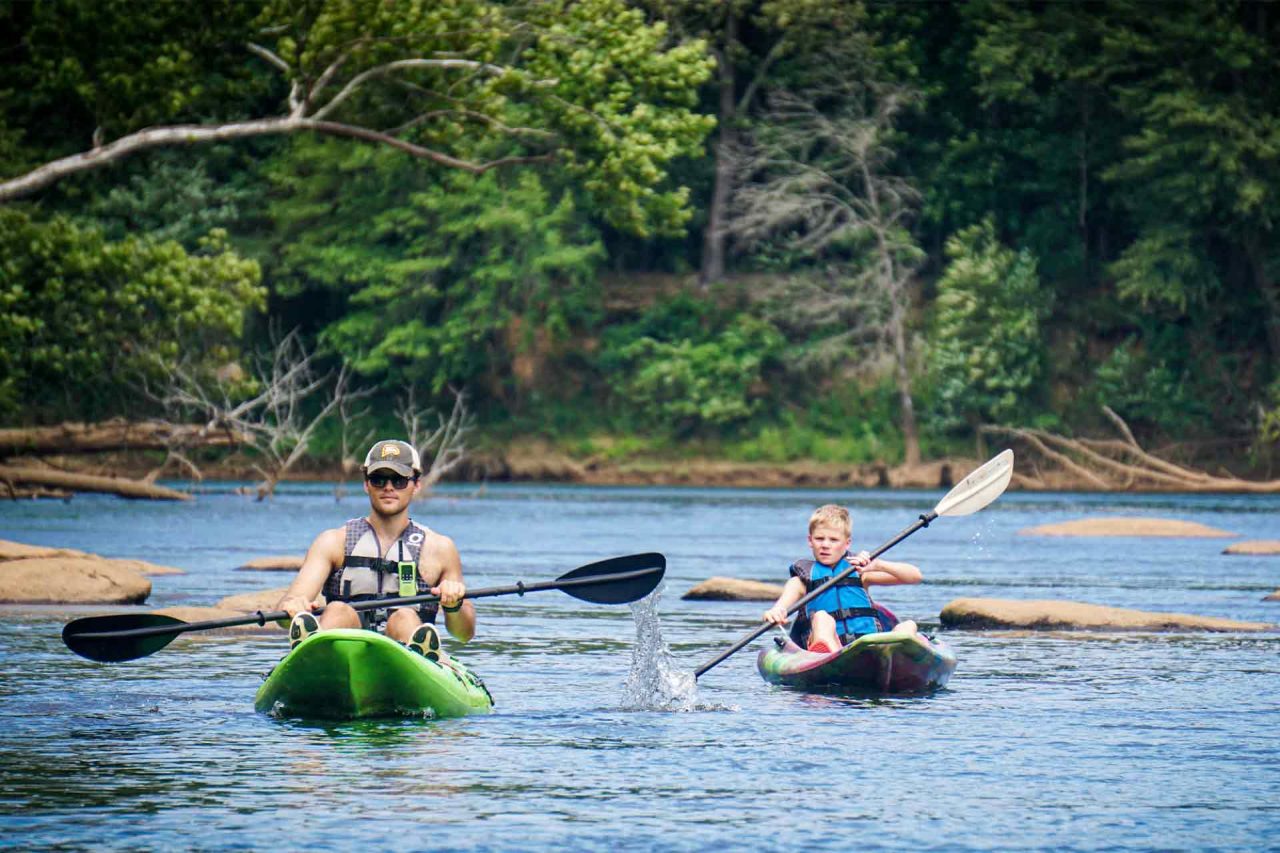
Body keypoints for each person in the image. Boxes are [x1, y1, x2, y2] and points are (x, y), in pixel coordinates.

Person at [276, 438, 475, 662]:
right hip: (347, 654)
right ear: (366, 484)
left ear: (416, 484)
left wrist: (453, 605)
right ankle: (314, 651)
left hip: (406, 657)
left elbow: (464, 633)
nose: (388, 487)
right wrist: (293, 606)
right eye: (379, 479)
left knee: (404, 617)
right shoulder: (332, 542)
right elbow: (285, 612)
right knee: (338, 611)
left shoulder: (440, 548)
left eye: (399, 480)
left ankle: (421, 654)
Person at [763, 504, 921, 654]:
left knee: (908, 626)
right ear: (810, 541)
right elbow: (781, 606)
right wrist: (775, 612)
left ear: (847, 544)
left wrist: (878, 564)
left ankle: (895, 657)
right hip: (830, 655)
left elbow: (914, 576)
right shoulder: (800, 581)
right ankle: (829, 653)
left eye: (833, 540)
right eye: (819, 539)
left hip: (870, 648)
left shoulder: (860, 572)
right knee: (822, 618)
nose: (825, 545)